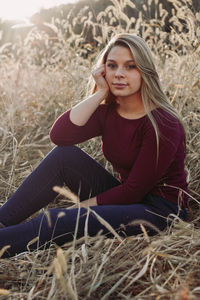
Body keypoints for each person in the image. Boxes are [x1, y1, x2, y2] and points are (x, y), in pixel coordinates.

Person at [0, 34, 188, 258]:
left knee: (56, 220)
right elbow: (60, 136)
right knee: (63, 157)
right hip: (128, 198)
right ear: (103, 70)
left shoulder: (162, 123)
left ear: (144, 72)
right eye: (112, 65)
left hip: (160, 212)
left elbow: (134, 190)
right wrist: (100, 93)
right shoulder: (109, 112)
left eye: (130, 66)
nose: (118, 73)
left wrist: (78, 208)